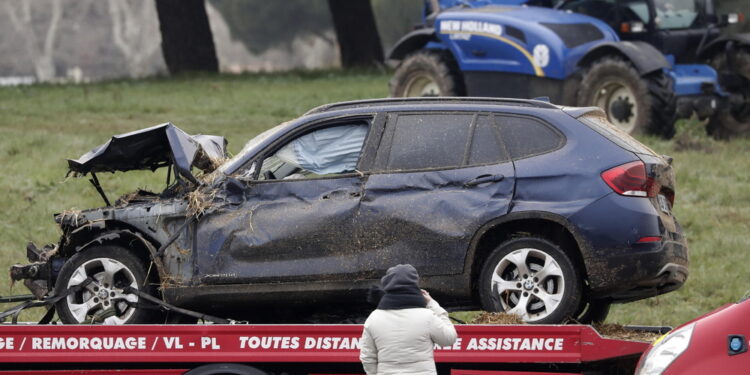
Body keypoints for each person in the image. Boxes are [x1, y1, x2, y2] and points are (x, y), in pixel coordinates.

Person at [359, 264, 458, 375]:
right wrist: (432, 304)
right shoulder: (427, 316)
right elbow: (449, 338)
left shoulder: (374, 318)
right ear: (415, 286)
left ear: (387, 286)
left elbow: (367, 357)